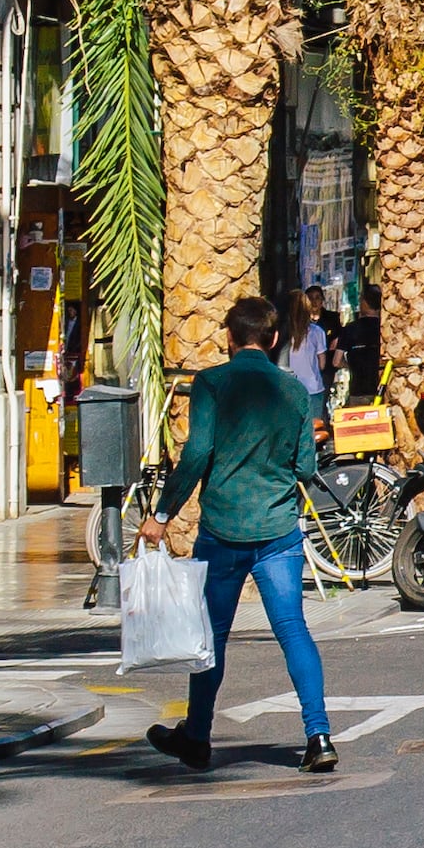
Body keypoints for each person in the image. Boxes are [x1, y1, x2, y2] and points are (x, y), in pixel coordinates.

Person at [141, 294, 335, 776]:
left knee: (215, 636)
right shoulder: (292, 390)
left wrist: (162, 513)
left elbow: (197, 454)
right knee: (293, 630)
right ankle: (319, 735)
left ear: (228, 337)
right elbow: (305, 467)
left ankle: (198, 736)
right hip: (278, 531)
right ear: (274, 340)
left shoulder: (211, 383)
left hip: (223, 529)